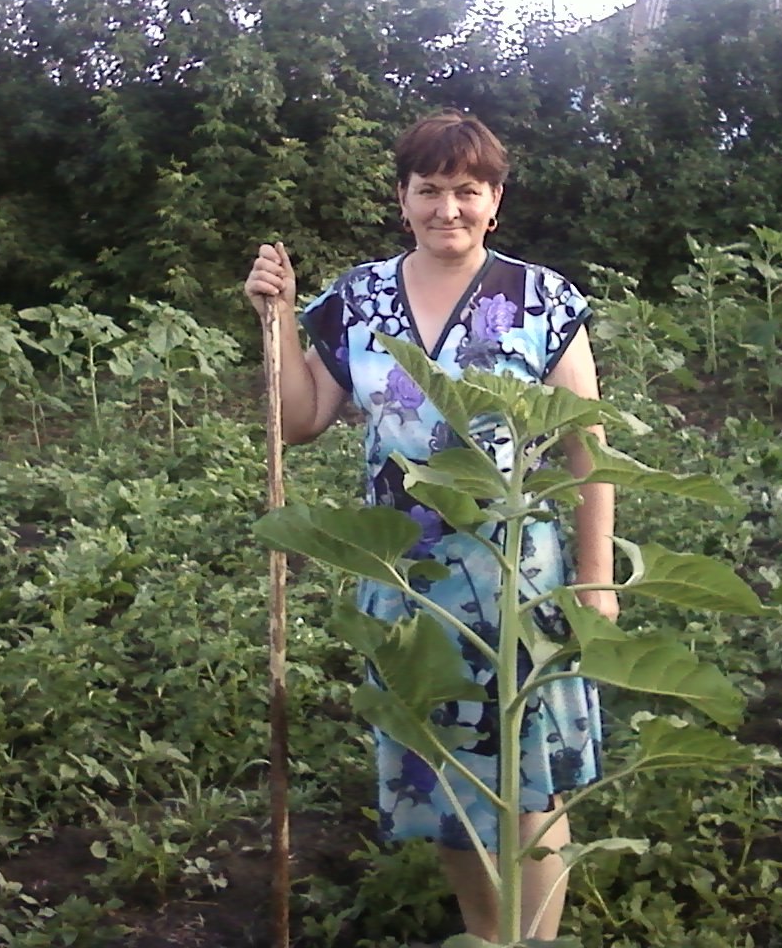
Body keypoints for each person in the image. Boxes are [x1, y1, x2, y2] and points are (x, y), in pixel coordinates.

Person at [243, 110, 616, 942]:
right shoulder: (360, 297)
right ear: (403, 198)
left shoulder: (542, 299)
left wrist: (597, 578)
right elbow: (299, 421)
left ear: (496, 201)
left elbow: (587, 448)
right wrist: (280, 319)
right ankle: (486, 933)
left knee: (529, 778)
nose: (449, 208)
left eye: (468, 191)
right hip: (410, 578)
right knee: (445, 775)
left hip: (516, 575)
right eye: (431, 190)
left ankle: (531, 940)